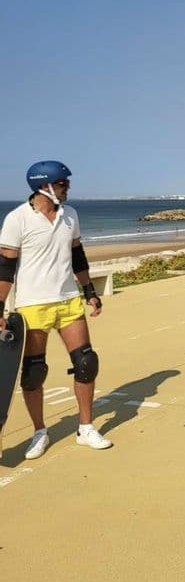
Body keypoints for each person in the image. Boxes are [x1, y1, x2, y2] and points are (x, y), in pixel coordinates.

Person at [0, 161, 112, 459]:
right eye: (63, 183)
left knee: (87, 363)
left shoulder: (70, 215)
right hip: (32, 305)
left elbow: (77, 256)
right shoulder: (17, 219)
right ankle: (39, 431)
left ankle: (86, 427)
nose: (68, 187)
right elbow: (5, 268)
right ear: (43, 186)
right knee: (34, 373)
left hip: (68, 300)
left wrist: (89, 291)